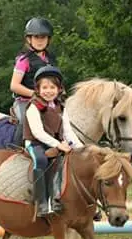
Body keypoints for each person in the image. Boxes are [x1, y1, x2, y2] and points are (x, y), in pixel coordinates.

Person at [23, 65, 83, 217]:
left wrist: (81, 149)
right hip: (35, 143)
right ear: (38, 89)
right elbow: (37, 133)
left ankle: (61, 199)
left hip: (57, 143)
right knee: (41, 160)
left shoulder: (61, 107)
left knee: (68, 163)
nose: (48, 91)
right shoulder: (33, 107)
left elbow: (68, 131)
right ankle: (41, 202)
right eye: (44, 87)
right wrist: (58, 145)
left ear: (59, 89)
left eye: (52, 87)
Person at [10, 17, 57, 147]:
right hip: (26, 101)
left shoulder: (51, 59)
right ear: (29, 39)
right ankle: (16, 148)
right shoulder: (23, 59)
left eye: (43, 37)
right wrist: (35, 95)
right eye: (36, 37)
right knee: (25, 120)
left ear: (48, 39)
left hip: (48, 100)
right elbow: (14, 85)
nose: (40, 41)